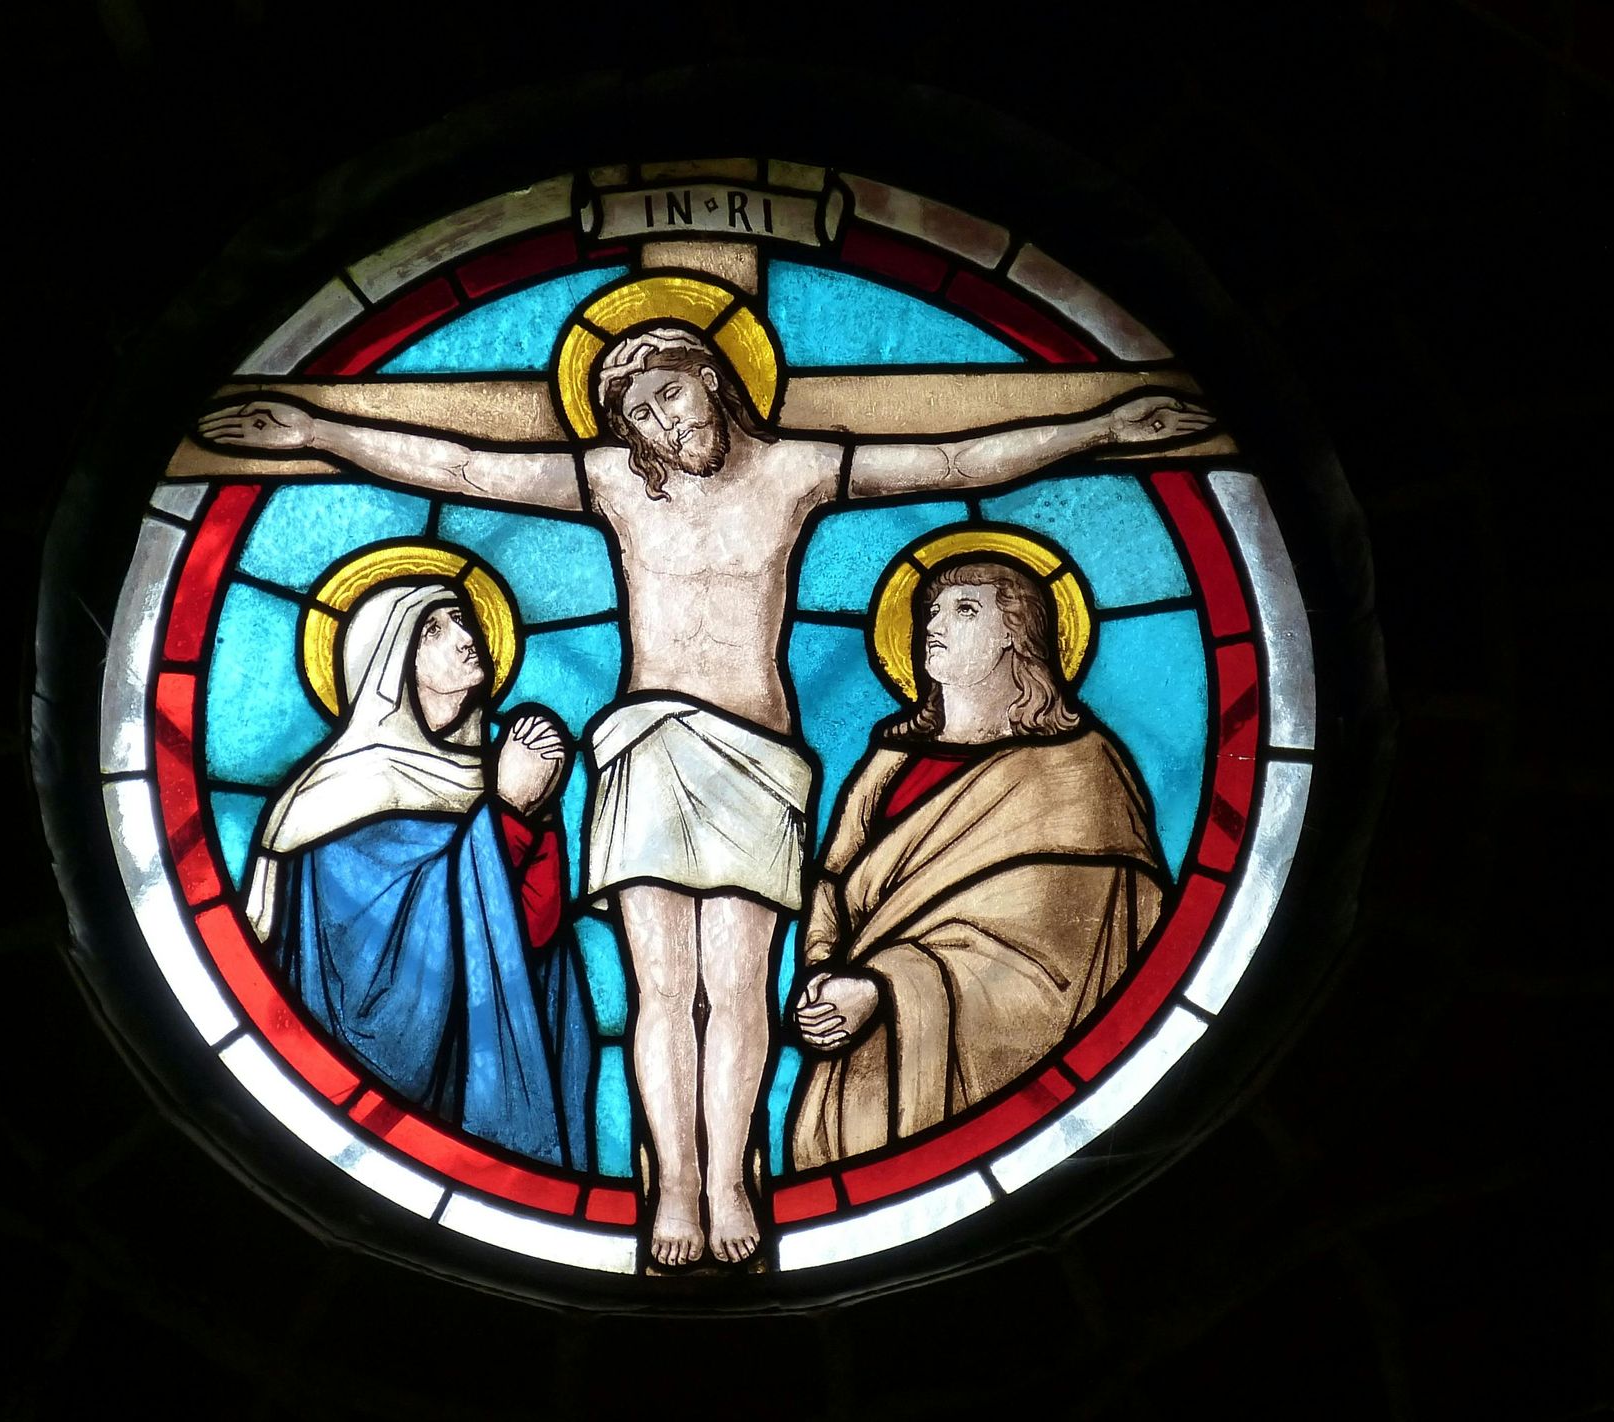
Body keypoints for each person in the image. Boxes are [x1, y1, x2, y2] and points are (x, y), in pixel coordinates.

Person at [200, 323, 1211, 1266]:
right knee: (658, 991)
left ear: (716, 380)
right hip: (644, 745)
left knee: (736, 988)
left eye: (670, 393)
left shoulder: (796, 470)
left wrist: (1104, 427)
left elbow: (954, 461)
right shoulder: (616, 485)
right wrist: (319, 428)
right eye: (635, 412)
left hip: (758, 757)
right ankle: (674, 1187)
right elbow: (464, 467)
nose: (660, 422)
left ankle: (731, 1183)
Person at [787, 557, 1168, 1168]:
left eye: (966, 609)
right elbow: (833, 882)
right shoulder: (890, 760)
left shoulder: (1078, 769)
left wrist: (883, 986)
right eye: (932, 610)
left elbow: (1058, 956)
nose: (934, 623)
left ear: (1019, 635)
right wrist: (819, 973)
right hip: (859, 1052)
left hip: (994, 1076)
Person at [242, 581, 593, 1171]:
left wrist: (529, 811)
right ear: (391, 657)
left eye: (463, 619)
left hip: (482, 1060)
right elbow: (368, 978)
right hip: (370, 1102)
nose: (465, 637)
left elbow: (529, 942)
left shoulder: (493, 772)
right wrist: (505, 813)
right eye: (434, 629)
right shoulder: (346, 787)